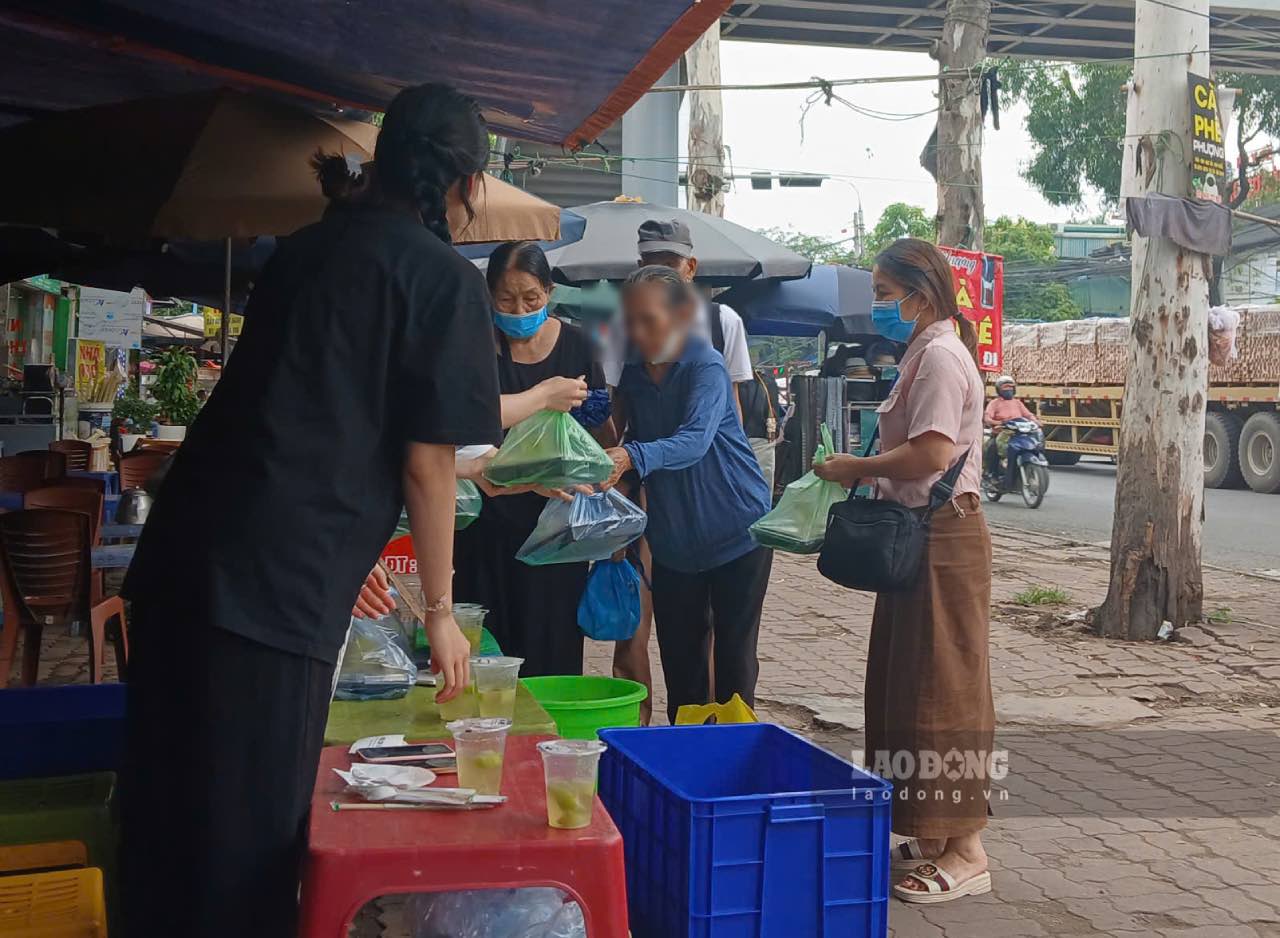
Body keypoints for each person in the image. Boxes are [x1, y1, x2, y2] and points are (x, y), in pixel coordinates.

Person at [119, 84, 502, 937]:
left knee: (161, 813)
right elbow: (428, 462)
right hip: (272, 587)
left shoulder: (304, 251)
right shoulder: (442, 279)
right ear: (467, 183)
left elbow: (316, 413)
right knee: (245, 844)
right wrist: (439, 613)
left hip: (184, 555)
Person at [814, 238, 994, 904]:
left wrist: (853, 470)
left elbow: (931, 455)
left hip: (944, 537)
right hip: (919, 538)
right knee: (906, 683)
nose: (880, 308)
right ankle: (933, 826)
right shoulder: (925, 350)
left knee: (944, 692)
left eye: (886, 296)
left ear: (920, 294)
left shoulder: (942, 356)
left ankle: (968, 848)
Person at [604, 265, 773, 724]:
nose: (638, 333)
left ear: (681, 315)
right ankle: (686, 759)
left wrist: (629, 456)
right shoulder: (635, 377)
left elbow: (694, 441)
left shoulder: (706, 364)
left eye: (648, 320)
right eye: (630, 322)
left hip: (739, 532)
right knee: (682, 663)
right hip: (675, 544)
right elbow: (622, 438)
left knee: (735, 659)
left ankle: (736, 758)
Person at [451, 239, 609, 676]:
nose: (518, 311)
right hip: (486, 519)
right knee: (488, 646)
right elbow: (466, 417)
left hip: (556, 524)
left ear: (549, 293)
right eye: (505, 299)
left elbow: (590, 429)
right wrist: (541, 398)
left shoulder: (577, 346)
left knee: (552, 645)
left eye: (530, 298)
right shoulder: (476, 344)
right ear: (489, 297)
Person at [983, 374, 1037, 477]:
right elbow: (987, 418)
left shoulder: (1017, 403)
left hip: (1018, 433)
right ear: (999, 390)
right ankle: (993, 474)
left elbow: (1028, 414)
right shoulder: (994, 403)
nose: (1009, 390)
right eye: (1005, 388)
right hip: (1001, 432)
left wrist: (1035, 421)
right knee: (993, 448)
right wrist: (999, 423)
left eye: (1011, 387)